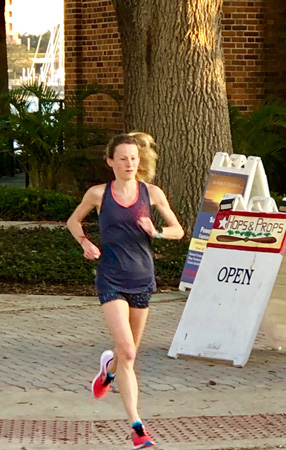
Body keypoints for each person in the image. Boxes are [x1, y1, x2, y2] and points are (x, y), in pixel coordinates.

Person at [67, 133, 184, 449]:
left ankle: (108, 370)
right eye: (122, 158)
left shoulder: (152, 193)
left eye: (134, 158)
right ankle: (137, 428)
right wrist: (85, 242)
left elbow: (178, 230)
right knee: (129, 352)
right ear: (110, 161)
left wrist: (157, 232)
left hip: (143, 279)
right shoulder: (98, 194)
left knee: (126, 353)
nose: (130, 163)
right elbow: (73, 222)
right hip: (111, 278)